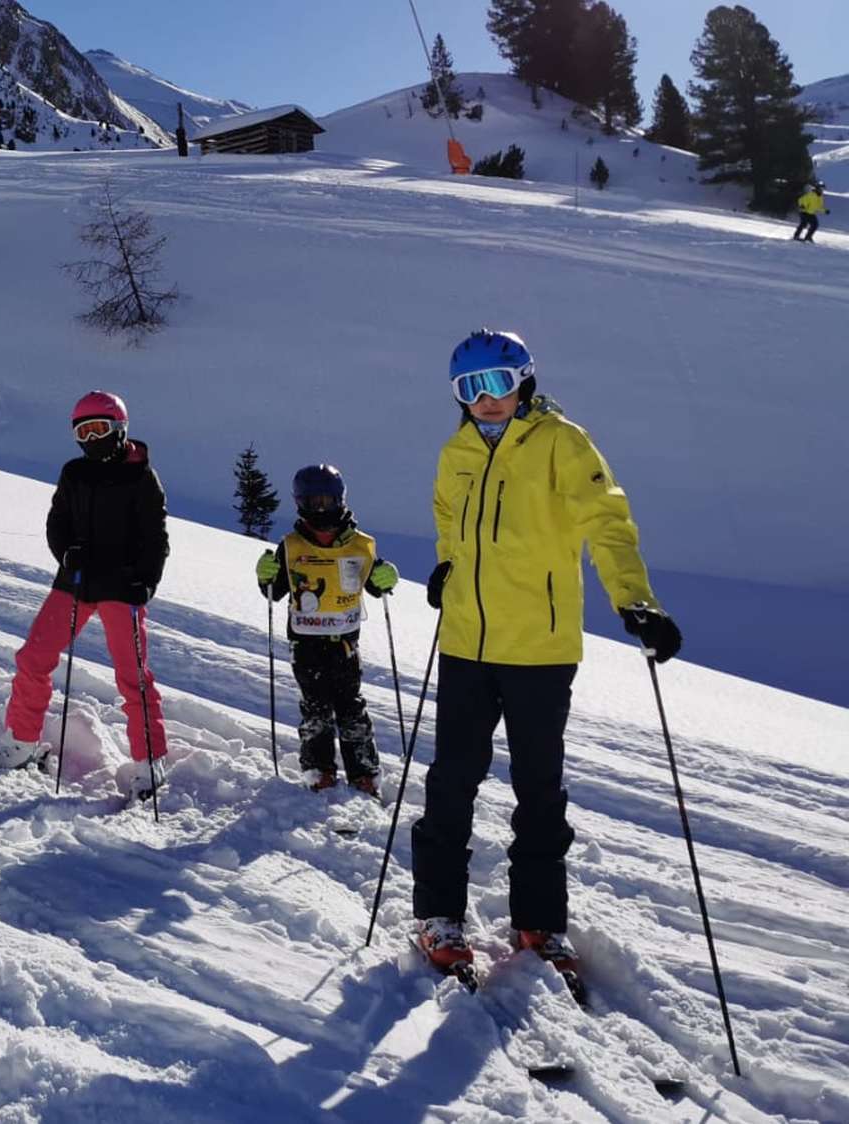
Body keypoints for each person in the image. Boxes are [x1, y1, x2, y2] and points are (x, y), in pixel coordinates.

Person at [411, 329, 682, 988]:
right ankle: (439, 916)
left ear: (524, 381)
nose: (486, 399)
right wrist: (448, 565)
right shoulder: (455, 452)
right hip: (467, 643)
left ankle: (539, 921)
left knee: (539, 788)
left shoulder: (562, 442)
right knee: (451, 782)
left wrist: (636, 602)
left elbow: (607, 522)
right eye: (470, 388)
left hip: (540, 648)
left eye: (498, 383)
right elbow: (448, 518)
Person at [0, 392, 170, 801]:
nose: (91, 439)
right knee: (34, 657)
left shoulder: (142, 477)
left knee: (132, 676)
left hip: (121, 587)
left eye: (99, 429)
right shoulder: (74, 473)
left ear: (119, 428)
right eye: (83, 432)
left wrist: (146, 581)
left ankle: (150, 760)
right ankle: (22, 739)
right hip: (74, 582)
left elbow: (155, 537)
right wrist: (66, 552)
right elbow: (57, 522)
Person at [254, 465, 398, 795]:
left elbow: (376, 585)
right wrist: (266, 577)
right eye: (312, 502)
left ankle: (363, 771)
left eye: (326, 501)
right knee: (315, 709)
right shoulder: (290, 545)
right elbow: (276, 592)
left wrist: (385, 577)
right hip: (305, 643)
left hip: (344, 642)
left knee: (351, 707)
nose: (320, 509)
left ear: (339, 499)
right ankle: (318, 770)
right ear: (300, 503)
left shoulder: (361, 545)